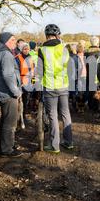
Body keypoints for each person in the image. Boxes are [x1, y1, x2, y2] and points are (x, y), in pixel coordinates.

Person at [38, 24, 74, 153]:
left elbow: (40, 71)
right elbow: (70, 68)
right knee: (65, 113)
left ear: (46, 36)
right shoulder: (65, 48)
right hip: (63, 85)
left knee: (53, 115)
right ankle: (69, 142)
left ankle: (55, 145)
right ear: (58, 35)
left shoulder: (42, 50)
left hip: (50, 87)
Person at [0, 32, 23, 157]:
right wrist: (16, 92)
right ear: (6, 41)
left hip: (1, 92)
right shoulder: (6, 55)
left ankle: (7, 145)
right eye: (13, 40)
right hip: (8, 94)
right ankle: (7, 150)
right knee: (10, 123)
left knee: (6, 121)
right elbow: (8, 75)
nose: (15, 42)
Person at [15, 43, 35, 120]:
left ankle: (24, 115)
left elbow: (33, 71)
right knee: (19, 101)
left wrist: (33, 82)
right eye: (24, 49)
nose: (26, 51)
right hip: (20, 82)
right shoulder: (17, 58)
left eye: (28, 49)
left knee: (26, 99)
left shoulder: (31, 58)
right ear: (21, 50)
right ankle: (18, 117)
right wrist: (19, 82)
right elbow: (16, 72)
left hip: (28, 82)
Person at [85, 36, 100, 112]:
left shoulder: (86, 52)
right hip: (97, 73)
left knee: (89, 89)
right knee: (97, 90)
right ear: (97, 43)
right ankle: (96, 106)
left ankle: (90, 105)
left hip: (88, 73)